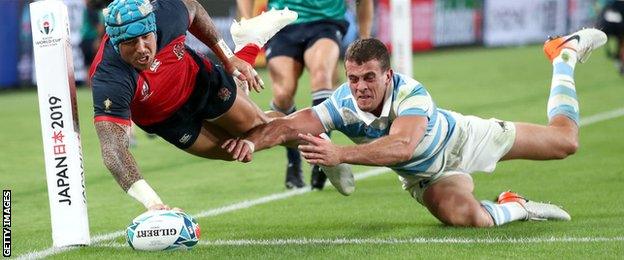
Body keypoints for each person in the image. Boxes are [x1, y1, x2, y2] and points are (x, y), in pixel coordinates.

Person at [222, 29, 608, 227]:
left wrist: (340, 154)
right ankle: (516, 207)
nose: (360, 88)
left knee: (565, 142)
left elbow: (402, 147)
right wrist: (253, 143)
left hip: (465, 141)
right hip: (426, 178)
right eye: (354, 78)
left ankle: (563, 55)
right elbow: (289, 125)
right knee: (467, 219)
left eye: (369, 78)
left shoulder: (412, 95)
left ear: (388, 75)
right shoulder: (344, 100)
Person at [89, 0, 297, 210]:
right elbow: (113, 150)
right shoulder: (109, 78)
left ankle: (317, 134)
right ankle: (248, 47)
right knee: (234, 150)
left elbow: (194, 8)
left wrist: (227, 57)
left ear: (153, 27)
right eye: (131, 43)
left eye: (146, 37)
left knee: (259, 129)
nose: (142, 49)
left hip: (199, 82)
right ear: (116, 44)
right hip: (168, 121)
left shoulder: (166, 16)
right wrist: (153, 203)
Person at [236, 0, 373, 190]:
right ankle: (293, 163)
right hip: (281, 23)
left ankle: (321, 160)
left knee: (321, 75)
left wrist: (365, 39)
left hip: (326, 21)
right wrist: (250, 24)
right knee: (283, 94)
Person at [597, 0, 624, 75]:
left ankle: (617, 59)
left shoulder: (609, 4)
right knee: (620, 44)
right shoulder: (619, 4)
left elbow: (602, 15)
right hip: (617, 28)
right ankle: (618, 60)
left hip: (605, 28)